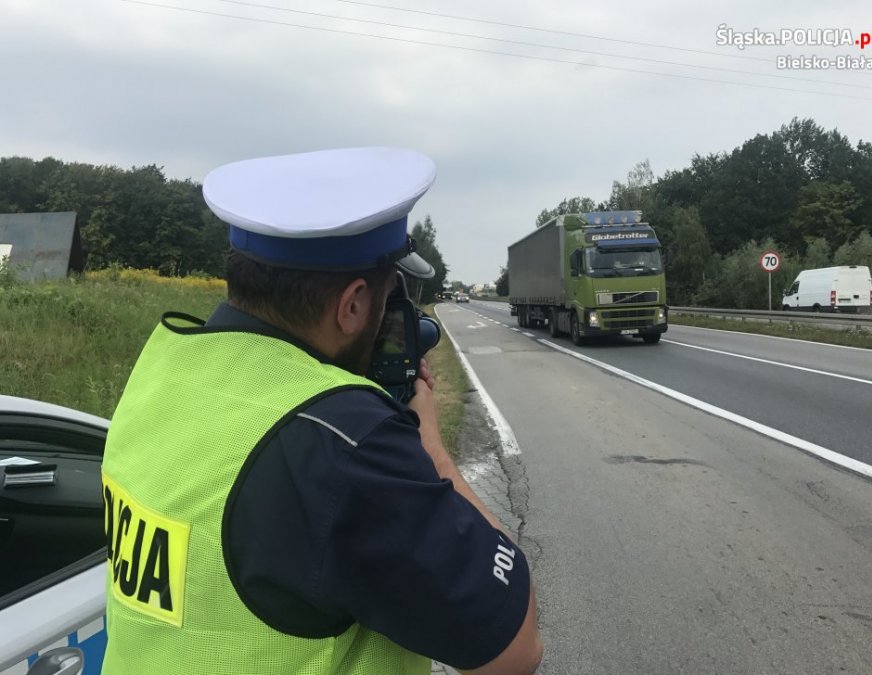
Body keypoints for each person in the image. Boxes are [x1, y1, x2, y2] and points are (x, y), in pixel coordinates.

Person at [100, 147, 542, 674]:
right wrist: (432, 449)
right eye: (387, 300)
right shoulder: (347, 440)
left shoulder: (163, 370)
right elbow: (514, 647)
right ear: (353, 305)